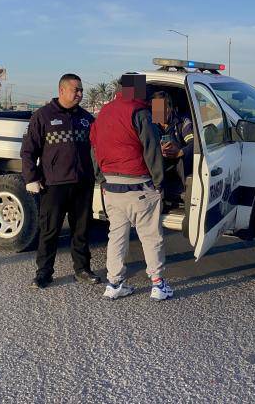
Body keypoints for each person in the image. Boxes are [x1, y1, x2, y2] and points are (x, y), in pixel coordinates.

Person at [90, 74, 174, 301]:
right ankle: (158, 284)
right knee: (150, 236)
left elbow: (94, 149)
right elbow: (152, 149)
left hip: (112, 187)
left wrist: (102, 180)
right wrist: (159, 183)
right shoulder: (140, 113)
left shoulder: (103, 113)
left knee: (116, 236)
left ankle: (114, 283)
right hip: (139, 186)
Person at [20, 73, 101, 289]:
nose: (80, 94)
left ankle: (82, 269)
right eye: (76, 90)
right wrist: (31, 178)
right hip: (54, 185)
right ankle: (44, 272)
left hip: (82, 183)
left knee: (81, 230)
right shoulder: (43, 116)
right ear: (62, 91)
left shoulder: (86, 118)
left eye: (81, 90)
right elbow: (28, 150)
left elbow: (99, 146)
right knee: (50, 230)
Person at [151, 91, 194, 205]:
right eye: (157, 108)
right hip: (157, 169)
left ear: (171, 108)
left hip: (178, 168)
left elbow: (193, 143)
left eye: (164, 108)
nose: (160, 112)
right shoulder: (149, 123)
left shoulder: (182, 122)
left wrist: (180, 152)